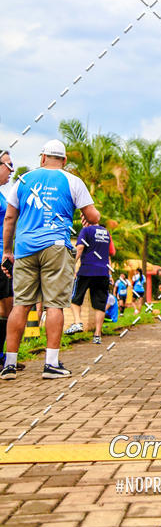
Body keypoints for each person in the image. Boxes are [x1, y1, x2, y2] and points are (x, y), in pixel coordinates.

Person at [1, 139, 99, 380]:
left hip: (25, 248)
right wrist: (88, 218)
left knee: (21, 304)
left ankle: (9, 365)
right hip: (55, 247)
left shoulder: (23, 180)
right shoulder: (72, 181)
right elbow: (94, 216)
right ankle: (51, 364)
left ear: (42, 157)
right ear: (64, 161)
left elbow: (10, 218)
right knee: (54, 304)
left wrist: (6, 251)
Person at [70, 217, 115, 343]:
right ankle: (97, 335)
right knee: (100, 305)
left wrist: (71, 266)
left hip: (87, 270)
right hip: (103, 273)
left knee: (75, 299)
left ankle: (78, 322)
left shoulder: (86, 231)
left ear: (85, 220)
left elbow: (79, 249)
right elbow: (110, 254)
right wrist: (110, 274)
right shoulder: (106, 233)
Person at [0, 150, 22, 369]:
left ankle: (3, 356)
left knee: (8, 307)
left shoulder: (2, 196)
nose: (11, 171)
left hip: (5, 258)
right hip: (1, 259)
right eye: (8, 165)